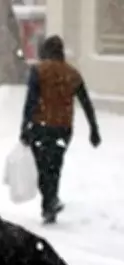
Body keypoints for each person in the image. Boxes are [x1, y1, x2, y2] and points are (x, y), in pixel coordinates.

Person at [20, 35, 101, 224]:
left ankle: (49, 202)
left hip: (41, 126)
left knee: (42, 168)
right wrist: (93, 129)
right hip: (63, 128)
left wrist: (25, 127)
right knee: (55, 166)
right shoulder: (72, 73)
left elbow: (31, 102)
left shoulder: (38, 71)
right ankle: (51, 203)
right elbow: (86, 102)